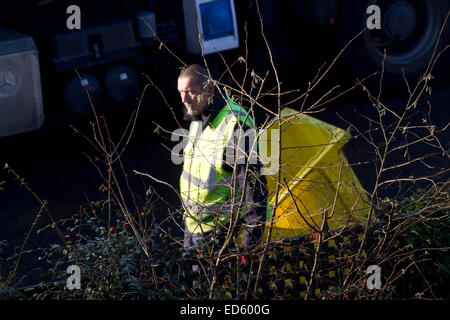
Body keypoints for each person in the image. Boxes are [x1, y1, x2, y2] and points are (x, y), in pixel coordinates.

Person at [177, 64, 267, 253]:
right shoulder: (198, 118)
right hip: (193, 228)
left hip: (220, 233)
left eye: (190, 92)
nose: (184, 100)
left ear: (209, 90)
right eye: (180, 92)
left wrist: (248, 245)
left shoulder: (236, 123)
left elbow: (254, 188)